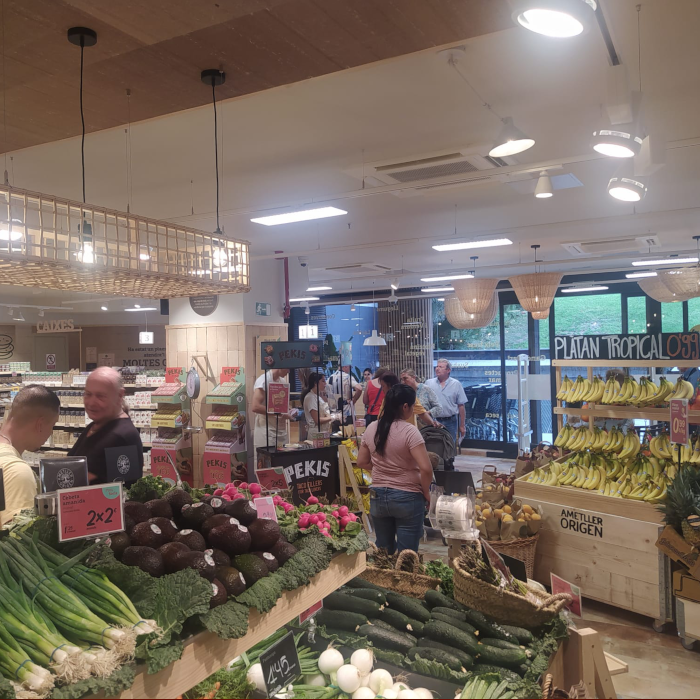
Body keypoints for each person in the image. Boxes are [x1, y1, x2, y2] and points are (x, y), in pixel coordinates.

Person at [357, 384, 433, 553]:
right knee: (407, 555)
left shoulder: (371, 428)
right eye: (413, 406)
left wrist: (380, 469)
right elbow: (426, 469)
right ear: (405, 406)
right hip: (408, 497)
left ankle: (382, 579)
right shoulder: (410, 431)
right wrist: (426, 492)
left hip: (378, 496)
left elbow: (361, 461)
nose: (413, 410)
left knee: (383, 551)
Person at [69, 367, 143, 484]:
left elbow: (120, 492)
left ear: (120, 395)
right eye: (88, 394)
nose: (91, 402)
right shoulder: (96, 425)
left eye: (100, 396)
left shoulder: (122, 437)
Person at [0, 385, 60, 526]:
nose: (50, 432)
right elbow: (19, 539)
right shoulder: (18, 472)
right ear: (40, 424)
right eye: (52, 425)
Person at [425, 358, 467, 444]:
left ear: (448, 370)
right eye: (437, 366)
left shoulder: (456, 384)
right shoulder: (429, 383)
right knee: (434, 446)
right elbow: (424, 403)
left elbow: (461, 406)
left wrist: (462, 425)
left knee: (449, 446)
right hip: (433, 420)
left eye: (440, 367)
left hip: (450, 421)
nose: (437, 368)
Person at [252, 368, 291, 453]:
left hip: (281, 431)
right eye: (287, 368)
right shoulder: (263, 380)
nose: (288, 371)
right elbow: (255, 406)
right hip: (267, 431)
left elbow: (282, 406)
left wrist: (289, 411)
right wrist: (279, 412)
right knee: (268, 462)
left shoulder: (283, 382)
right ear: (280, 366)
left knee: (283, 461)